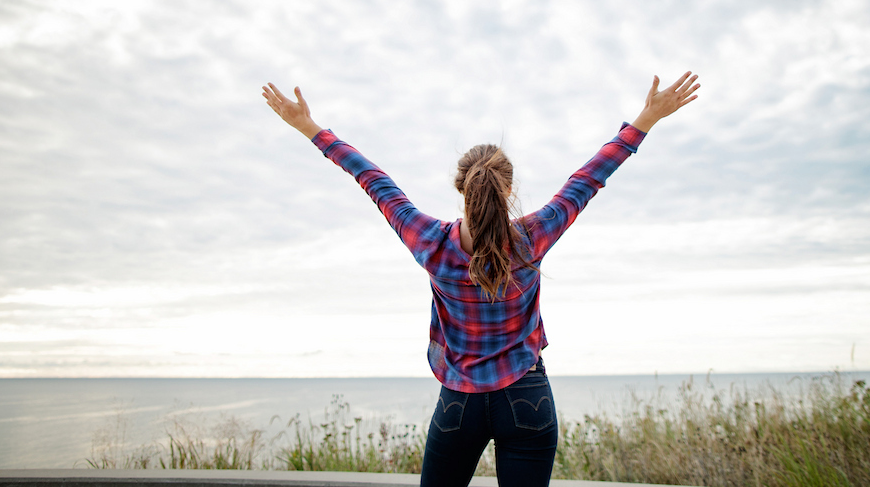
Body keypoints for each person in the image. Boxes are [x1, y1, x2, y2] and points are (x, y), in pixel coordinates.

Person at [262, 71, 700, 487]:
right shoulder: (532, 237)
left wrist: (309, 127)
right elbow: (588, 179)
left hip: (460, 402)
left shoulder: (429, 241)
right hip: (527, 396)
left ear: (462, 188)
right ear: (507, 189)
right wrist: (647, 118)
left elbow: (372, 179)